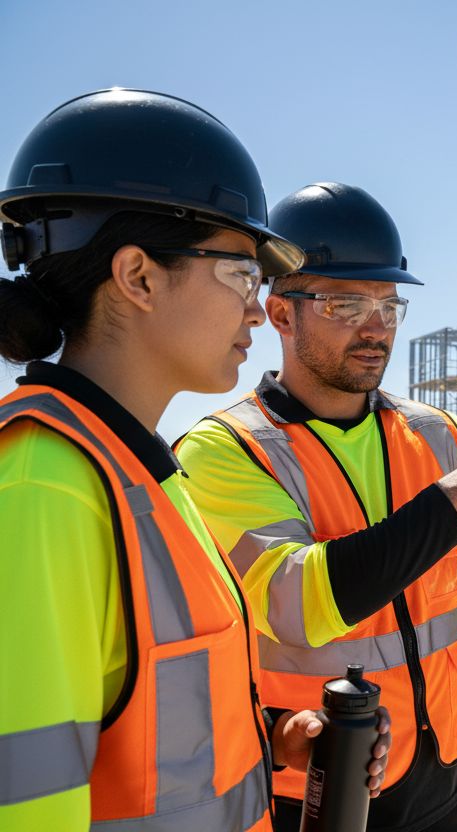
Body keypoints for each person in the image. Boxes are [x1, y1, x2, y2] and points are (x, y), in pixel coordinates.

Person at [175, 181, 457, 832]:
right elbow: (298, 605)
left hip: (444, 772)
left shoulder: (439, 434)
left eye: (389, 306)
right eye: (345, 303)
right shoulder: (225, 451)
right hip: (318, 789)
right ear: (280, 313)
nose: (375, 328)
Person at [0, 90, 389, 830]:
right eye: (242, 273)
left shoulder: (140, 472)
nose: (256, 309)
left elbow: (141, 720)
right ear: (139, 276)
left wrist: (277, 736)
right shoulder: (44, 489)